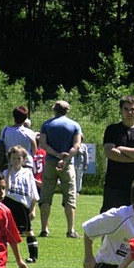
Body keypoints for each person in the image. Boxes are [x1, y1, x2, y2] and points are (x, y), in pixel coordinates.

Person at [101, 95, 134, 213]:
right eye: (126, 109)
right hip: (114, 184)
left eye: (132, 109)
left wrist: (122, 149)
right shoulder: (112, 129)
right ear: (121, 110)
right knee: (109, 219)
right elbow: (110, 153)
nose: (129, 112)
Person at [38, 100, 82, 238]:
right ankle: (71, 230)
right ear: (67, 111)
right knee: (70, 197)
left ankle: (44, 229)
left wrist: (57, 155)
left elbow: (43, 145)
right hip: (68, 165)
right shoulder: (75, 125)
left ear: (54, 110)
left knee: (46, 196)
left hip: (50, 163)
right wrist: (66, 158)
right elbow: (77, 146)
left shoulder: (46, 124)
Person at [2, 146, 40, 263]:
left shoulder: (27, 173)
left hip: (22, 205)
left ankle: (33, 255)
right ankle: (2, 255)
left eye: (19, 158)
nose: (16, 161)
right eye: (13, 158)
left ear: (23, 159)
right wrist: (8, 172)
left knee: (27, 230)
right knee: (5, 230)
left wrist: (33, 209)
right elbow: (6, 189)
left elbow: (33, 192)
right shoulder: (6, 172)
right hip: (8, 203)